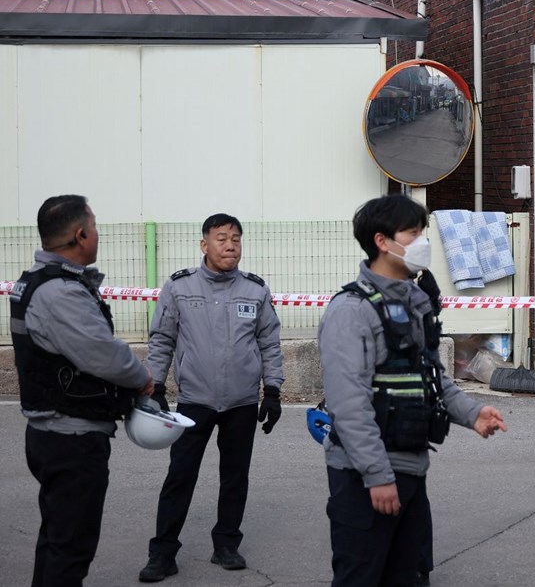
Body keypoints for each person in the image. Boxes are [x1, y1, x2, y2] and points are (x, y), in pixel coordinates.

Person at [318, 194, 507, 586]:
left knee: (410, 576)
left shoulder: (417, 303)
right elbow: (348, 404)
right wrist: (376, 475)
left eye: (423, 232)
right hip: (364, 475)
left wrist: (472, 414)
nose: (423, 242)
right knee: (360, 577)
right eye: (413, 233)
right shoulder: (350, 311)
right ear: (382, 242)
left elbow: (432, 379)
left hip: (411, 469)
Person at [10, 195, 154, 587]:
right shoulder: (62, 293)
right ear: (80, 234)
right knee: (70, 550)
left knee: (57, 541)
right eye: (95, 229)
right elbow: (104, 354)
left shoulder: (37, 282)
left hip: (52, 433)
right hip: (70, 438)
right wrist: (142, 377)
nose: (97, 236)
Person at [138, 213, 285, 582]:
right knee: (179, 477)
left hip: (240, 403)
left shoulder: (255, 290)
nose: (230, 244)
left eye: (236, 237)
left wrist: (274, 390)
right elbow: (162, 340)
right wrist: (154, 389)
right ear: (204, 245)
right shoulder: (179, 287)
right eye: (221, 238)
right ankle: (163, 553)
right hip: (195, 402)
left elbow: (269, 342)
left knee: (235, 477)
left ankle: (226, 545)